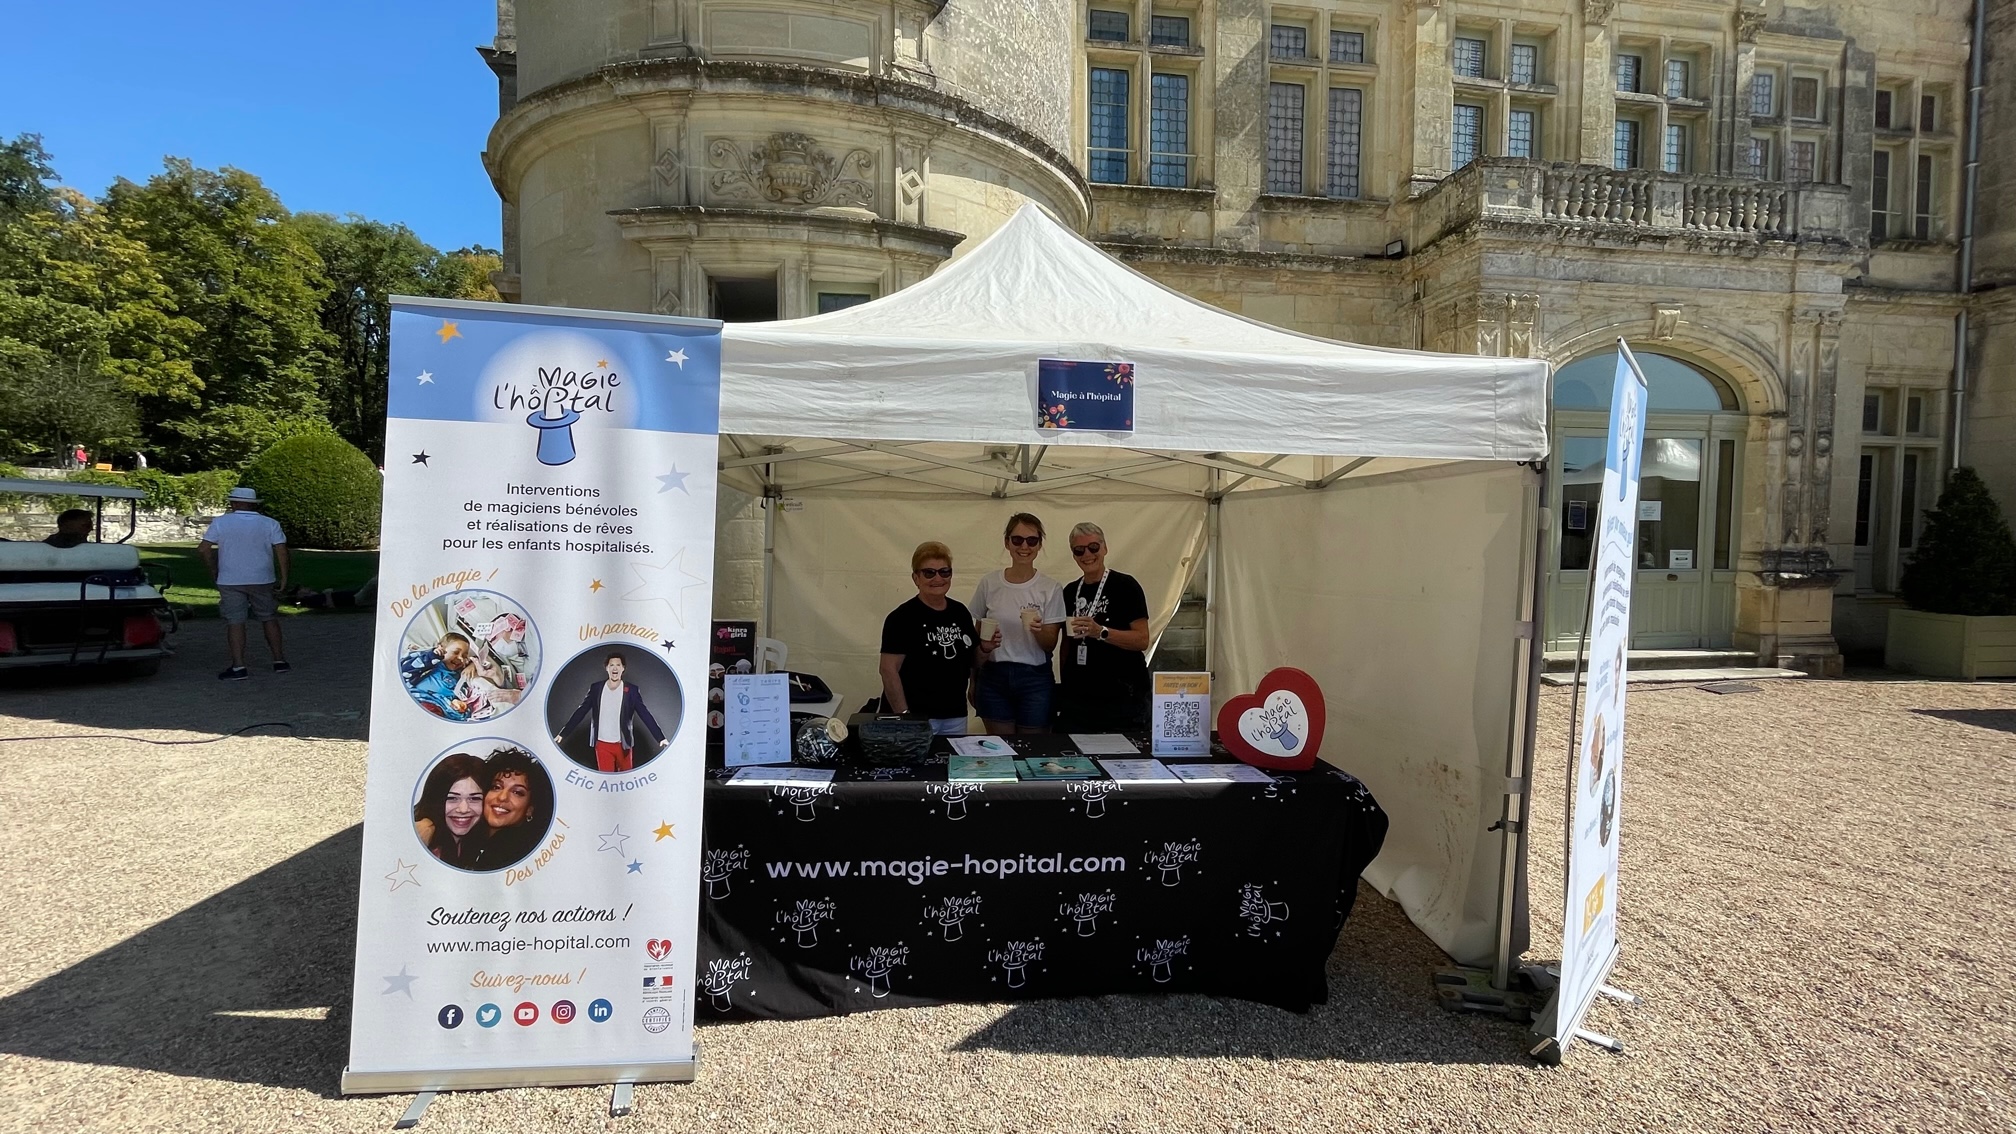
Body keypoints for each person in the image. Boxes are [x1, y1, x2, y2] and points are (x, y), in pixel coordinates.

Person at [969, 512, 1065, 735]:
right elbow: (976, 638)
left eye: (1032, 540)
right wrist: (973, 681)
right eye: (1017, 540)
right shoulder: (989, 583)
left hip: (1034, 677)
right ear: (1007, 542)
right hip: (993, 675)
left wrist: (1037, 630)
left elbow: (1050, 645)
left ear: (1039, 545)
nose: (1024, 546)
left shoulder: (1050, 588)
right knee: (1000, 750)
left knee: (1032, 750)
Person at [1057, 522, 1153, 733]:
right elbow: (1065, 644)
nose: (1087, 555)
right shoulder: (1070, 591)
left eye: (1093, 547)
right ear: (1073, 554)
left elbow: (1142, 640)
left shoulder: (1125, 586)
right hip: (1080, 702)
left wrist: (1101, 632)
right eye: (1079, 550)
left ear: (1105, 548)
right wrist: (1066, 687)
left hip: (1122, 699)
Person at [878, 541, 978, 736]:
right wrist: (905, 716)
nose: (937, 578)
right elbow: (888, 670)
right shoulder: (901, 618)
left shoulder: (960, 612)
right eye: (929, 573)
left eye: (944, 572)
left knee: (952, 765)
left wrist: (986, 649)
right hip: (916, 716)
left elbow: (972, 660)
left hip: (955, 715)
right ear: (916, 578)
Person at [199, 487, 290, 680]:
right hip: (262, 578)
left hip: (230, 578)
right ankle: (279, 660)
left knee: (235, 621)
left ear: (234, 503)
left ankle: (239, 666)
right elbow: (281, 550)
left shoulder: (221, 522)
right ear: (253, 503)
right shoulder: (269, 523)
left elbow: (204, 548)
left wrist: (214, 569)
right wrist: (283, 577)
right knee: (268, 617)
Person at [554, 651, 669, 772]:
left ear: (623, 668)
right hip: (602, 745)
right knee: (607, 782)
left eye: (618, 665)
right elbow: (581, 711)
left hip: (623, 745)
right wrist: (563, 733)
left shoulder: (631, 690)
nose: (615, 668)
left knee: (625, 781)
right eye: (612, 665)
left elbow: (645, 714)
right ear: (607, 668)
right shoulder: (596, 688)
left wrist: (660, 737)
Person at [470, 747, 552, 871]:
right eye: (496, 787)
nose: (502, 797)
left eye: (517, 792)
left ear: (530, 809)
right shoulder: (468, 840)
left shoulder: (518, 855)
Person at [412, 753, 490, 869]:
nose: (463, 809)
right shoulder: (420, 835)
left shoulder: (479, 843)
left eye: (474, 798)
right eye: (452, 798)